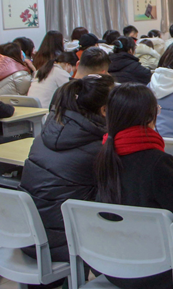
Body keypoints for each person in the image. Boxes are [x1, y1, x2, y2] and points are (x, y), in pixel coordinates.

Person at [95, 83, 173, 289]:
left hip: (110, 265)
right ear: (149, 116)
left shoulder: (103, 154)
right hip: (155, 270)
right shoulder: (157, 162)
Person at [20, 75, 114, 267]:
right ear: (104, 110)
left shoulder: (43, 136)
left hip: (28, 234)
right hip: (65, 242)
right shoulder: (98, 149)